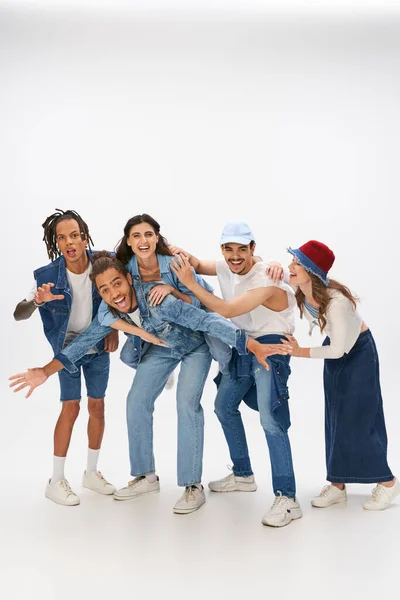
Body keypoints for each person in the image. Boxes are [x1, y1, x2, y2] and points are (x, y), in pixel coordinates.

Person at [10, 251, 286, 515]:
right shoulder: (107, 313)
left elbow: (207, 320)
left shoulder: (159, 301)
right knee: (136, 401)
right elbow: (79, 346)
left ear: (129, 280)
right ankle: (145, 476)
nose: (114, 294)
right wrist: (45, 372)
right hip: (162, 347)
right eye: (104, 290)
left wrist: (250, 344)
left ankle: (192, 486)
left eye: (117, 283)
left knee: (185, 404)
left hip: (194, 346)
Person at [168, 221, 302, 528]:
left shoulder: (268, 278)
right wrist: (170, 249)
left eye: (242, 249)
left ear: (253, 249)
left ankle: (288, 498)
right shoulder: (227, 265)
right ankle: (243, 475)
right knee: (223, 406)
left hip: (270, 346)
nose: (235, 256)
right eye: (229, 249)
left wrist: (189, 283)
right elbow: (198, 263)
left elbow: (226, 310)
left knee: (271, 418)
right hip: (244, 344)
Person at [281, 240, 399, 511]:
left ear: (311, 270)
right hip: (337, 350)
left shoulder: (337, 302)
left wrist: (298, 352)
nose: (291, 266)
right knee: (334, 417)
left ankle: (389, 482)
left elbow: (338, 351)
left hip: (357, 354)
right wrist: (274, 268)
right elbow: (274, 280)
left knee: (360, 419)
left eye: (296, 263)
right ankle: (337, 484)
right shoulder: (302, 289)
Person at [13, 209, 119, 506]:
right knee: (70, 408)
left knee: (97, 406)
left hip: (97, 347)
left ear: (85, 237)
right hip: (67, 352)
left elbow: (123, 290)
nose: (69, 242)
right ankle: (56, 479)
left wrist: (115, 329)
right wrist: (35, 301)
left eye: (74, 235)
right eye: (62, 238)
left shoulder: (104, 261)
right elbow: (18, 314)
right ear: (56, 243)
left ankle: (91, 473)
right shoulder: (47, 277)